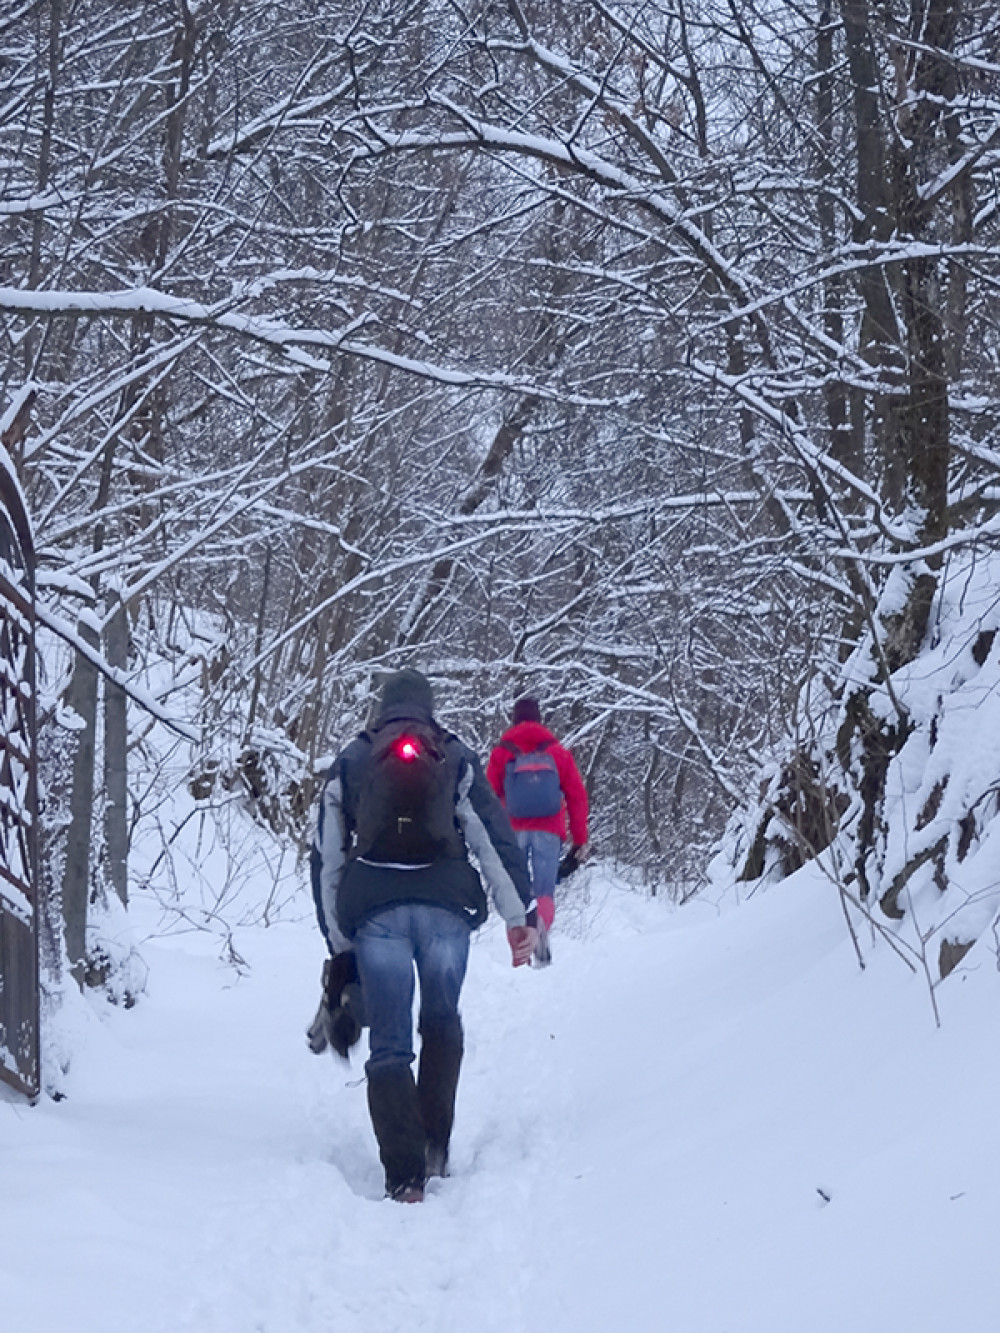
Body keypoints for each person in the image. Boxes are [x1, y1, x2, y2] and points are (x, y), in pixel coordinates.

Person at [309, 668, 536, 1203]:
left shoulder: (352, 758)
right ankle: (434, 1149)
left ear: (381, 708)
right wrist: (517, 915)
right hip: (446, 910)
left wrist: (339, 941)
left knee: (389, 1041)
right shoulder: (453, 754)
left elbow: (327, 856)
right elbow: (491, 837)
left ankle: (405, 1176)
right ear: (428, 708)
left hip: (377, 913)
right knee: (440, 1020)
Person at [486, 696, 589, 965]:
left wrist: (491, 834)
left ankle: (521, 946)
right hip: (549, 829)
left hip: (513, 829)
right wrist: (580, 840)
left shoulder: (503, 751)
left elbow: (488, 795)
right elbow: (577, 795)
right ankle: (542, 926)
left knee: (517, 888)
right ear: (540, 719)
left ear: (514, 719)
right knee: (544, 889)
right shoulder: (556, 751)